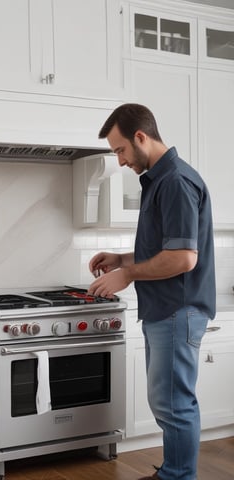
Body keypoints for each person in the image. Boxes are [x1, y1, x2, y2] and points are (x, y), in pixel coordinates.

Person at [88, 104, 216, 480]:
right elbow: (166, 248)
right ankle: (174, 474)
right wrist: (122, 258)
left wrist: (127, 274)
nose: (120, 160)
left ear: (140, 137)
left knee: (174, 404)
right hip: (167, 309)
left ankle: (178, 477)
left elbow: (183, 259)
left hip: (179, 308)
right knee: (166, 402)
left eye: (120, 150)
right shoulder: (160, 180)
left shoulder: (175, 181)